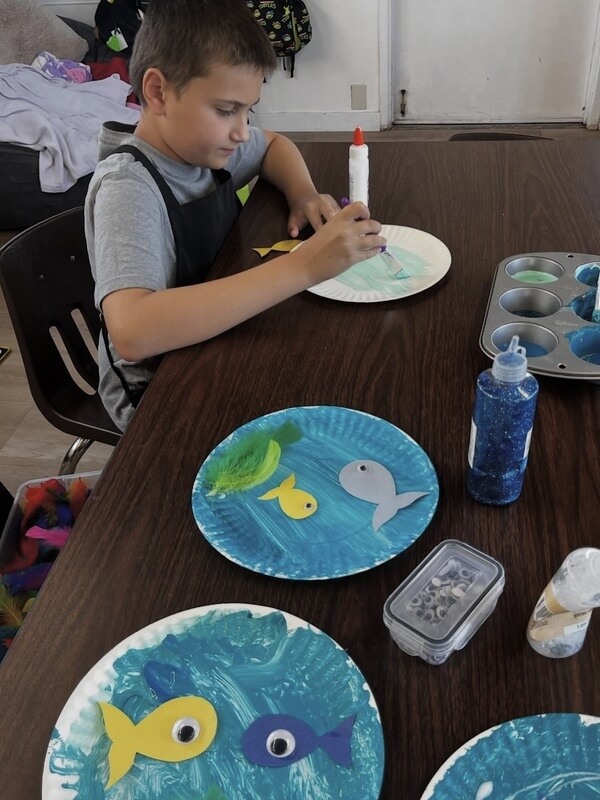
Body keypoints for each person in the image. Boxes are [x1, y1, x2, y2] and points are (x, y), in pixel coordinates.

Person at [86, 0, 385, 431]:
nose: (242, 131)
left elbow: (273, 145)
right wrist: (303, 266)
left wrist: (302, 193)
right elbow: (133, 331)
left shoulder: (200, 146)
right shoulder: (128, 187)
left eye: (249, 110)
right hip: (157, 391)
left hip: (220, 339)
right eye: (227, 110)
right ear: (158, 93)